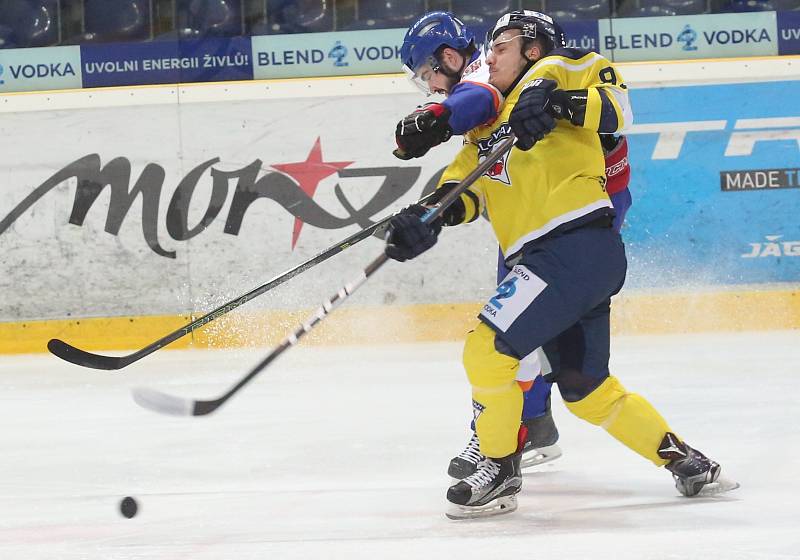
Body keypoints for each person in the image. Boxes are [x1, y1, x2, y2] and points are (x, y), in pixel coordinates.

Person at [385, 10, 729, 520]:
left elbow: (617, 110)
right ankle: (686, 461)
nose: (489, 56)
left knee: (485, 351)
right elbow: (464, 193)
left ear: (531, 47)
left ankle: (500, 469)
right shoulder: (484, 135)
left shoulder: (566, 66)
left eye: (499, 45)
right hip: (560, 262)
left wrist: (558, 103)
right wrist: (424, 219)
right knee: (587, 390)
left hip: (574, 246)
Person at [392, 11, 634, 481]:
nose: (433, 86)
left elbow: (476, 97)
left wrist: (438, 118)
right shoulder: (506, 71)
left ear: (448, 56)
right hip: (550, 211)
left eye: (429, 75)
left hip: (578, 211)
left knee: (512, 322)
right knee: (515, 321)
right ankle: (531, 422)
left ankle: (518, 429)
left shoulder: (493, 71)